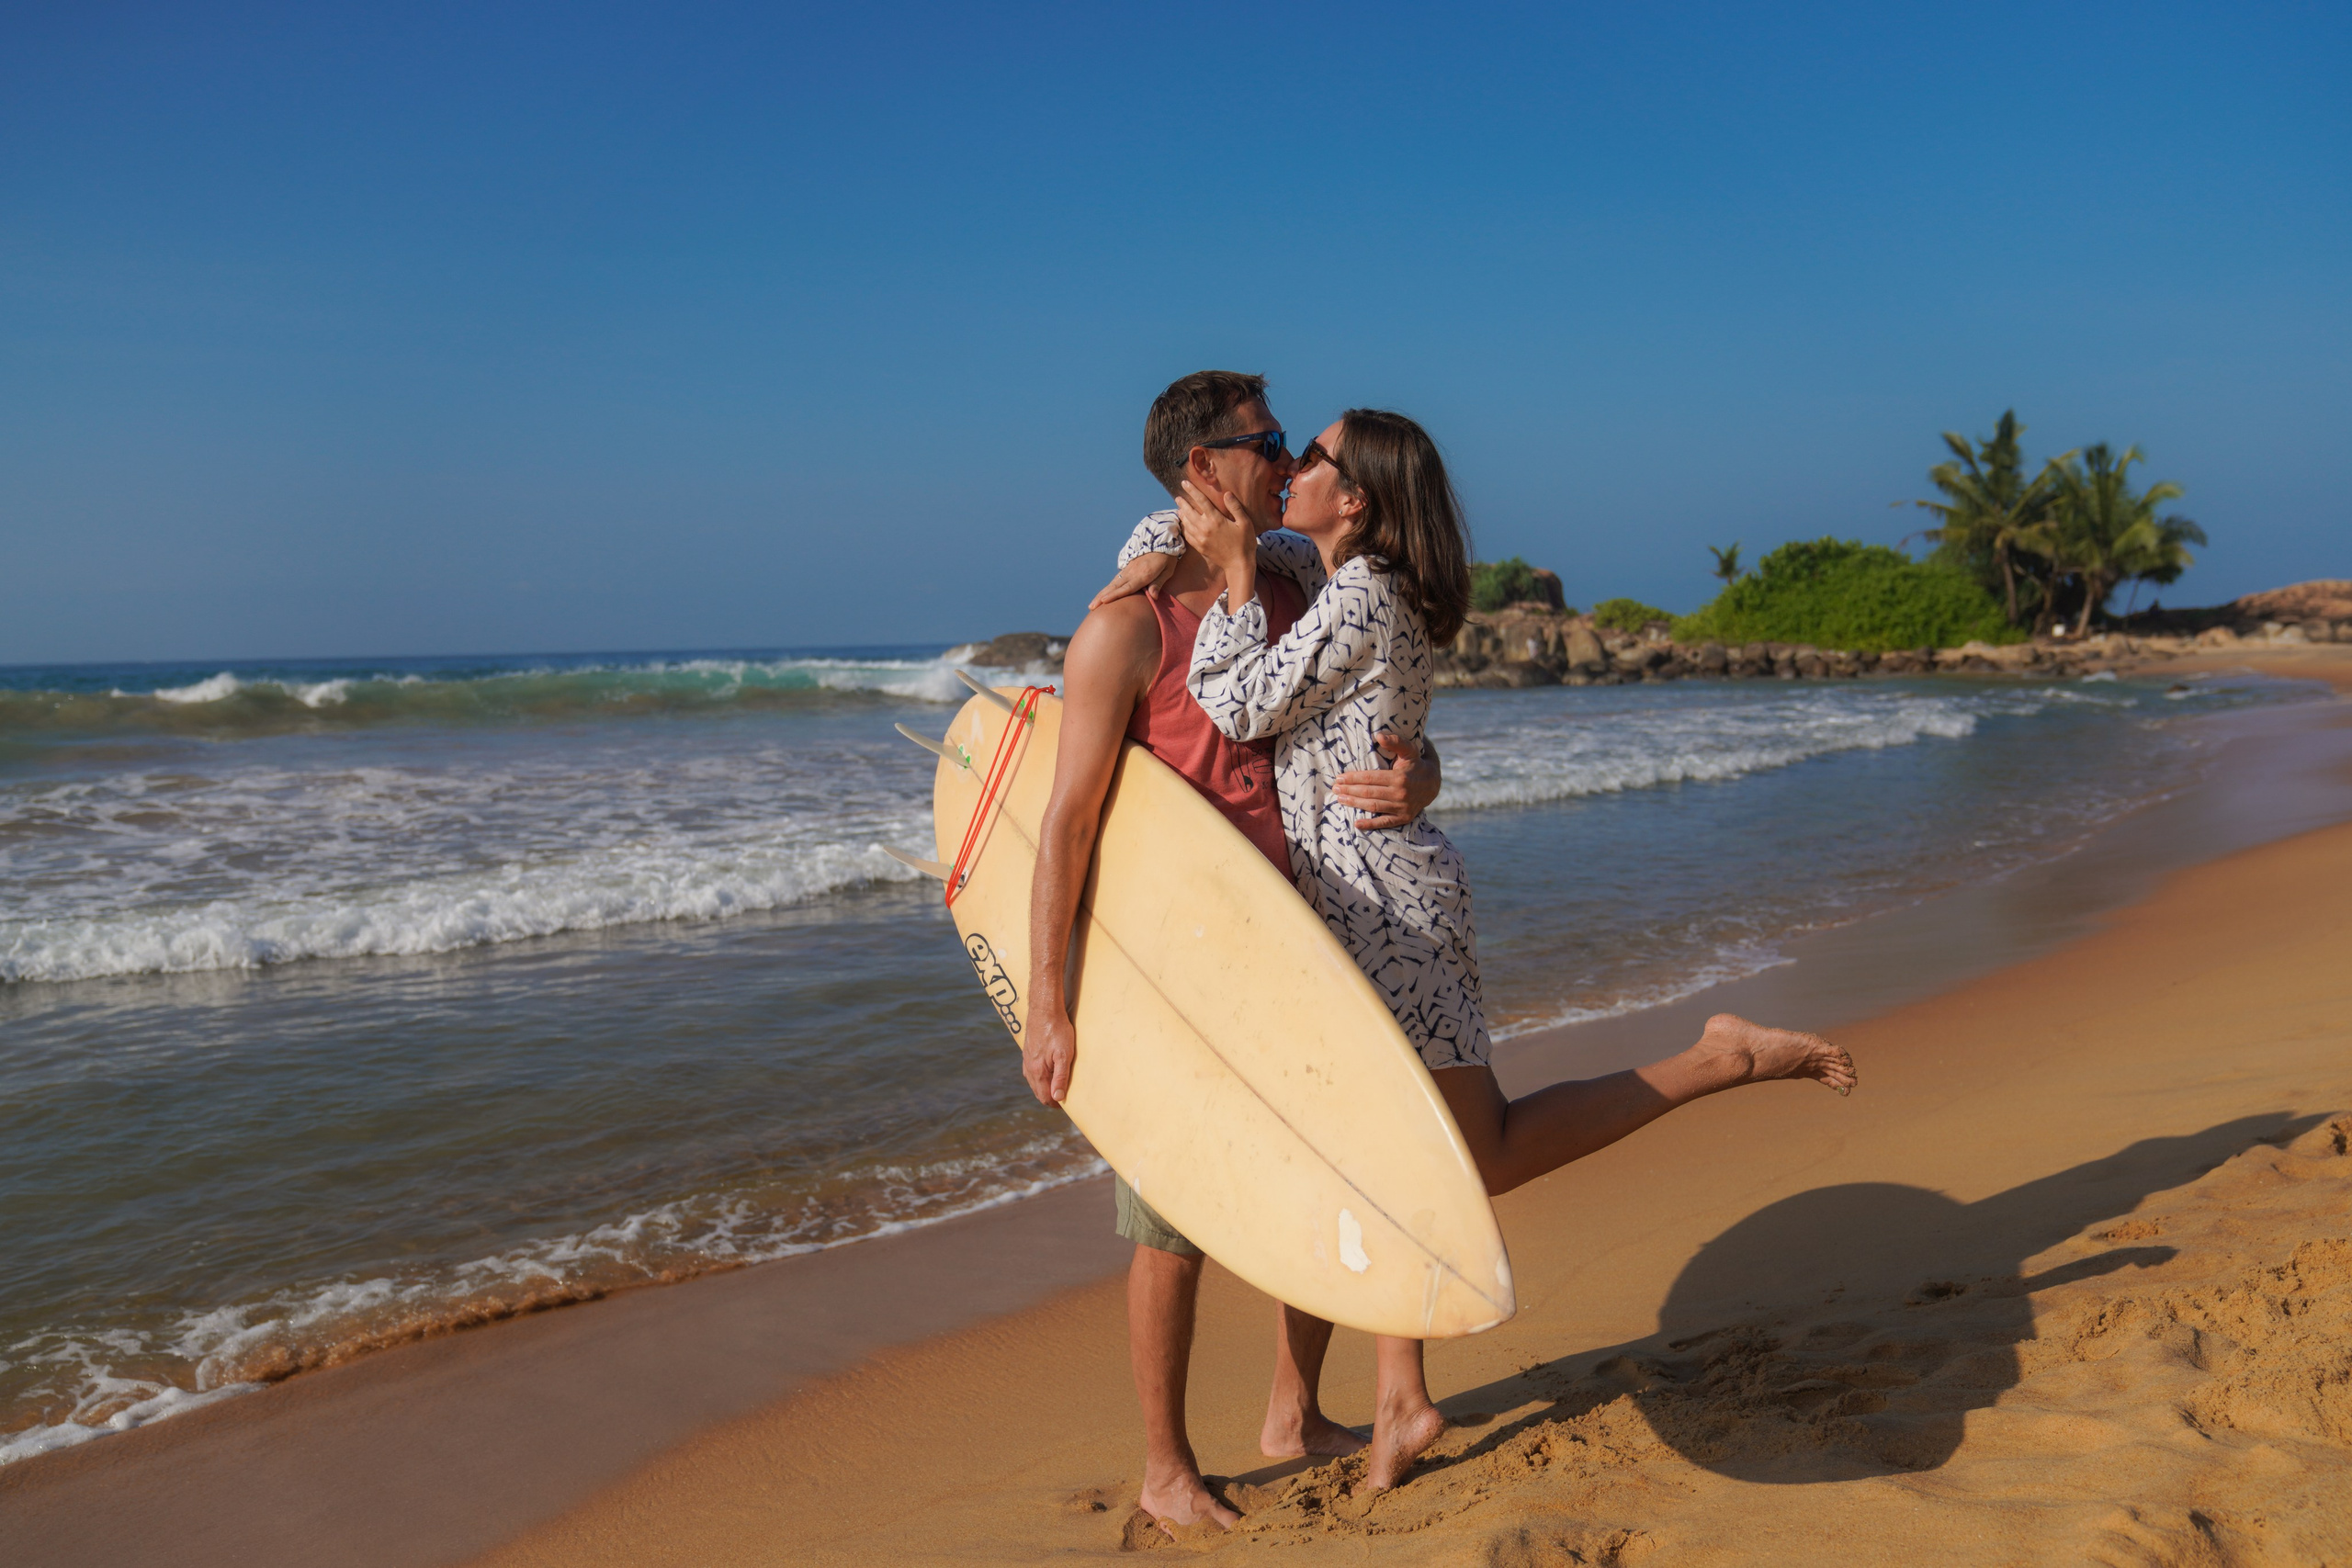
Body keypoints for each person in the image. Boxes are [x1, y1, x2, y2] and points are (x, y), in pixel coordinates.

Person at [1103, 407, 1858, 1491]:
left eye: (1308, 457)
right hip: (1366, 900)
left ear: (1353, 497)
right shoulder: (1320, 568)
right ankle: (1369, 1402)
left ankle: (1719, 1059)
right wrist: (1155, 562)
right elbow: (1170, 532)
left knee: (1469, 1154)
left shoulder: (1357, 590)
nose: (1288, 470)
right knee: (1397, 1152)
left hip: (1383, 909)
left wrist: (1227, 590)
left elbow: (1237, 705)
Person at [1023, 371, 1444, 1534]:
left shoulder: (1297, 582)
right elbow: (1064, 823)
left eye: (1282, 440)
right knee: (1174, 1222)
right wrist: (1046, 1005)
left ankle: (1293, 1415)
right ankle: (1164, 1469)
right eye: (1263, 442)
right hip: (1176, 967)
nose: (1282, 457)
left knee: (1319, 1172)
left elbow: (1383, 712)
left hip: (1298, 941)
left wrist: (1423, 777)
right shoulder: (1123, 626)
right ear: (1203, 470)